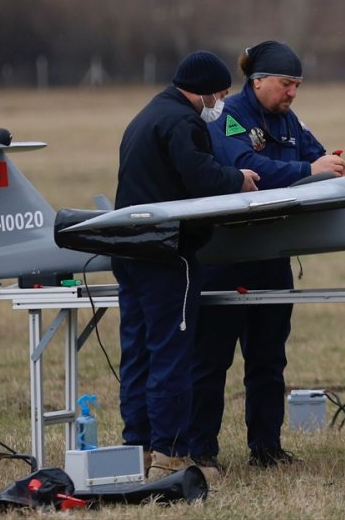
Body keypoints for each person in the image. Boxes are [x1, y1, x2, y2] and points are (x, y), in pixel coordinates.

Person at [190, 40, 345, 469]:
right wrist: (308, 171)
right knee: (212, 360)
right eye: (287, 84)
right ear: (259, 81)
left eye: (297, 86)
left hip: (272, 254)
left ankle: (265, 448)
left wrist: (339, 168)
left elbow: (316, 156)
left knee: (268, 358)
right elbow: (246, 170)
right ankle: (202, 451)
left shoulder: (289, 121)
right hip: (225, 256)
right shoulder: (227, 117)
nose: (292, 93)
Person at [111, 50, 259, 481]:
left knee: (137, 353)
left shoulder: (147, 116)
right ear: (206, 91)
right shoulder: (182, 122)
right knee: (171, 354)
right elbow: (202, 178)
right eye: (222, 93)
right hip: (166, 254)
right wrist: (239, 179)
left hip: (130, 252)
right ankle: (171, 457)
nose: (223, 102)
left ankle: (135, 450)